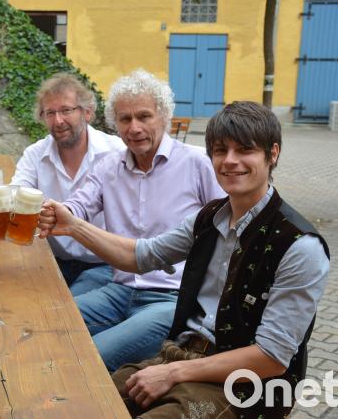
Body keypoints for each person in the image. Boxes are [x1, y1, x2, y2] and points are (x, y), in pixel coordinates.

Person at [41, 101, 330, 418]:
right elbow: (143, 256)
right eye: (220, 151)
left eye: (244, 150)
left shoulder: (299, 245)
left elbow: (272, 357)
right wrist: (73, 226)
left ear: (272, 154)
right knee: (78, 401)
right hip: (179, 354)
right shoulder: (209, 218)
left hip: (246, 384)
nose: (230, 161)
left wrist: (172, 373)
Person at [50, 68, 225, 372]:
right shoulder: (108, 168)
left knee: (91, 356)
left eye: (144, 117)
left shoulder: (197, 164)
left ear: (164, 116)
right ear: (114, 123)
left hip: (171, 299)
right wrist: (55, 212)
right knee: (45, 324)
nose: (134, 128)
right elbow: (78, 206)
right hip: (118, 289)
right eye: (124, 119)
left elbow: (230, 226)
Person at [10, 73, 125, 294]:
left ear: (87, 112)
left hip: (105, 265)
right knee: (13, 295)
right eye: (50, 113)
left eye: (66, 110)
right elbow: (16, 194)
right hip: (54, 260)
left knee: (63, 309)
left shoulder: (116, 153)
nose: (58, 120)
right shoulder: (36, 154)